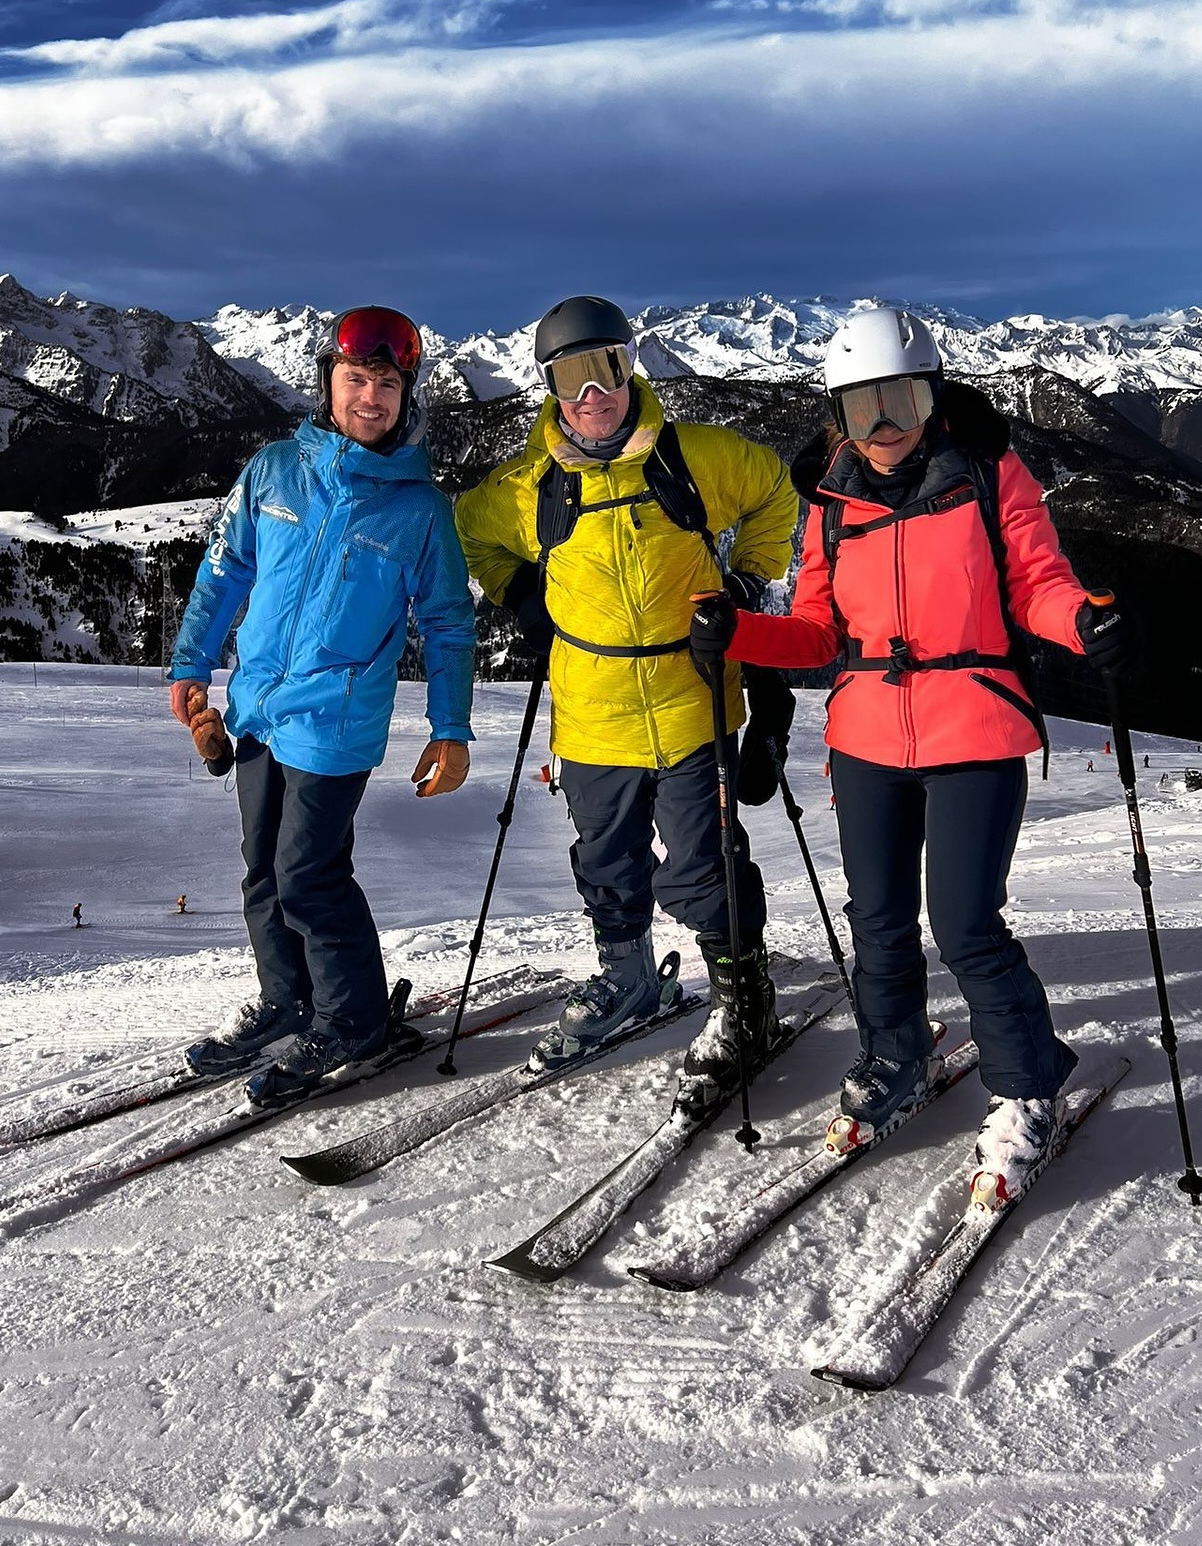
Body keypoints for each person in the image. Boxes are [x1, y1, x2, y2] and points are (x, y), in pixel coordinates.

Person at [689, 304, 1132, 1195]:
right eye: (862, 408)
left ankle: (1027, 1087)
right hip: (867, 734)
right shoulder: (828, 506)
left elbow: (1038, 584)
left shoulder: (989, 473)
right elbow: (816, 632)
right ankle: (893, 1055)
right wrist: (739, 634)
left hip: (975, 720)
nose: (883, 425)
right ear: (838, 417)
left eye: (900, 400)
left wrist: (1083, 624)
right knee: (878, 920)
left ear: (932, 395)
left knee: (966, 923)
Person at [456, 295, 798, 1088]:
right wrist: (517, 594)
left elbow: (776, 491)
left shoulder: (696, 457)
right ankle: (628, 976)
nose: (591, 393)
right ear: (547, 383)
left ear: (630, 361)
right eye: (569, 376)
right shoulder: (525, 485)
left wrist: (746, 582)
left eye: (604, 367)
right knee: (606, 859)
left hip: (693, 699)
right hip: (592, 712)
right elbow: (471, 530)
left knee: (700, 865)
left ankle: (742, 992)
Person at [168, 306, 477, 1101]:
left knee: (308, 874)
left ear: (408, 397)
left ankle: (353, 1016)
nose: (369, 397)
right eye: (355, 379)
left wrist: (451, 728)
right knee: (261, 873)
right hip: (256, 707)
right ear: (327, 384)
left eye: (386, 383)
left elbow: (447, 625)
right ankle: (287, 999)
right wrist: (193, 663)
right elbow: (223, 569)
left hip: (336, 722)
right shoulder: (273, 470)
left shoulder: (420, 510)